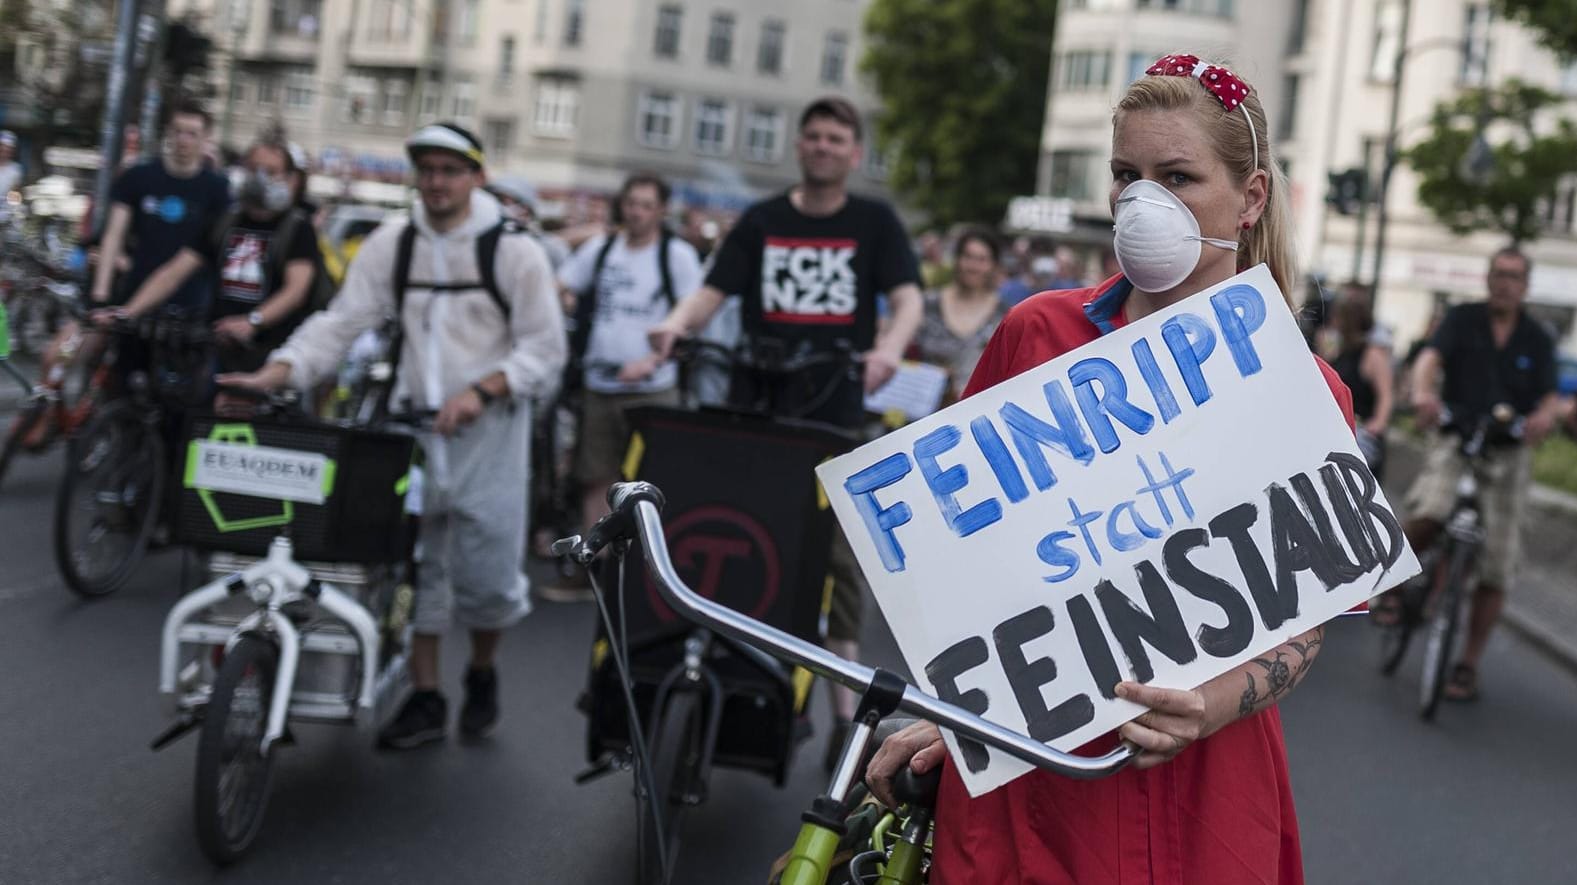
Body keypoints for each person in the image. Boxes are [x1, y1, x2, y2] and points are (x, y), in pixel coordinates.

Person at [865, 54, 1356, 884]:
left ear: (1250, 198)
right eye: (1126, 176)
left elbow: (1302, 627)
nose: (1144, 204)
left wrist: (1211, 704)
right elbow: (964, 572)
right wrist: (952, 717)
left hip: (1200, 787)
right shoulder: (1034, 333)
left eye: (1176, 177)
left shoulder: (1306, 392)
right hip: (1027, 777)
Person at [219, 122, 567, 748]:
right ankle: (428, 695)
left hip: (492, 429)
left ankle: (482, 670)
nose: (436, 182)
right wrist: (273, 375)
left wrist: (483, 389)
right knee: (420, 563)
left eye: (450, 170)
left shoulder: (515, 251)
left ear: (477, 176)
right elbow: (341, 323)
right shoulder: (393, 242)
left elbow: (546, 349)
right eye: (426, 169)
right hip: (412, 428)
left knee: (488, 576)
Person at [648, 96, 923, 767]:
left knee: (834, 556)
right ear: (799, 146)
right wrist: (676, 326)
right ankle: (712, 662)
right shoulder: (764, 219)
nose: (824, 146)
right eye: (814, 137)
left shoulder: (872, 221)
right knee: (736, 530)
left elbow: (908, 296)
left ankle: (844, 710)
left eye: (836, 138)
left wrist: (888, 347)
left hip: (832, 409)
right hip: (758, 411)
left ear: (852, 154)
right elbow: (712, 290)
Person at [1391, 247, 1560, 701]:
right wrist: (1425, 395)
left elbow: (1549, 395)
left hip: (1507, 452)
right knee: (1431, 508)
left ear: (1525, 285)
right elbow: (1429, 360)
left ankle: (1466, 664)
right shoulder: (1463, 319)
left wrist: (1544, 418)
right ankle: (1393, 586)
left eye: (1514, 277)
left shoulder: (1537, 338)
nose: (1504, 283)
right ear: (1487, 278)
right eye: (1498, 274)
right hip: (1458, 436)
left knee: (1498, 564)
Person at [545, 172, 703, 602]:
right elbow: (561, 282)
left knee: (651, 482)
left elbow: (692, 319)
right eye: (631, 203)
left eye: (646, 205)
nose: (636, 212)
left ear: (661, 210)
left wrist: (652, 361)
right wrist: (564, 302)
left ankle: (651, 577)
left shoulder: (677, 255)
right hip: (601, 382)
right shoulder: (603, 249)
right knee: (594, 477)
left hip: (653, 386)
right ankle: (592, 568)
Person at [102, 138, 321, 373]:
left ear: (289, 179)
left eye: (271, 171)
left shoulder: (298, 229)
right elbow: (173, 273)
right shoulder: (224, 221)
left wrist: (253, 322)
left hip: (271, 355)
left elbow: (296, 291)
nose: (260, 177)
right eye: (254, 168)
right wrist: (128, 312)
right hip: (216, 348)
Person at [89, 102, 231, 316]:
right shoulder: (138, 177)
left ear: (206, 138)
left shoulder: (218, 189)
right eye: (177, 132)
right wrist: (100, 295)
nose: (183, 141)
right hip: (133, 293)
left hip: (191, 305)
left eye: (192, 134)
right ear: (168, 133)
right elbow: (113, 235)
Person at [912, 226, 1006, 405]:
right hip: (922, 409)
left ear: (993, 265)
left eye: (982, 259)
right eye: (967, 257)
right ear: (957, 260)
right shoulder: (927, 303)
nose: (973, 266)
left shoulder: (1005, 314)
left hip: (977, 411)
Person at [1327, 284, 1394, 477]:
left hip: (1363, 436)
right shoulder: (1341, 351)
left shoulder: (1372, 354)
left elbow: (1386, 395)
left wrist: (1377, 425)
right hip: (1341, 436)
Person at [487, 175, 572, 270]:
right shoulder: (481, 242)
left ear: (527, 211)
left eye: (504, 201)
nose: (500, 207)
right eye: (497, 199)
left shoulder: (552, 248)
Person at [0, 130, 23, 202]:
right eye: (3, 147)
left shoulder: (16, 169)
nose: (5, 151)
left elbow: (15, 193)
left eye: (9, 148)